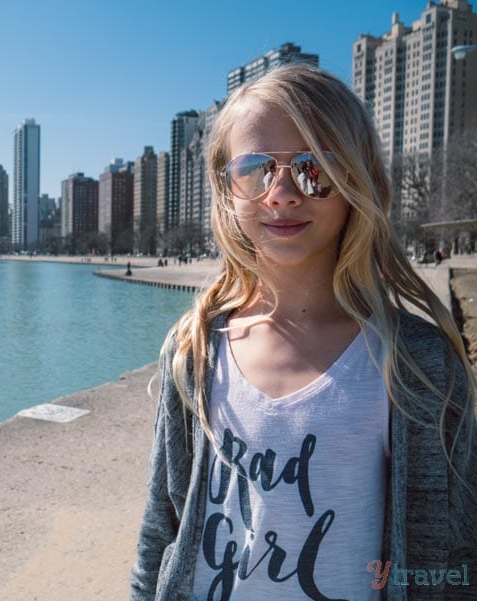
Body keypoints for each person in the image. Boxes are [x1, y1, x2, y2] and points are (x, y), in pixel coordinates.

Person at [130, 64, 476, 601]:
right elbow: (161, 533)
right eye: (256, 170)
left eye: (315, 170)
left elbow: (452, 558)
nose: (283, 194)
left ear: (356, 183)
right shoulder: (193, 352)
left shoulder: (416, 364)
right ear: (226, 189)